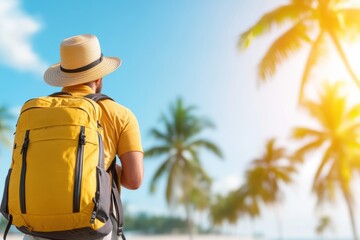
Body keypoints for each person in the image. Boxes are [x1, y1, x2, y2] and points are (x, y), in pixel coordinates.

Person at [24, 34, 144, 240]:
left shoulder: (38, 111)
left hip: (37, 227)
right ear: (99, 77)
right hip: (93, 227)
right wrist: (95, 164)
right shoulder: (120, 114)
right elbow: (134, 180)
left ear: (63, 76)